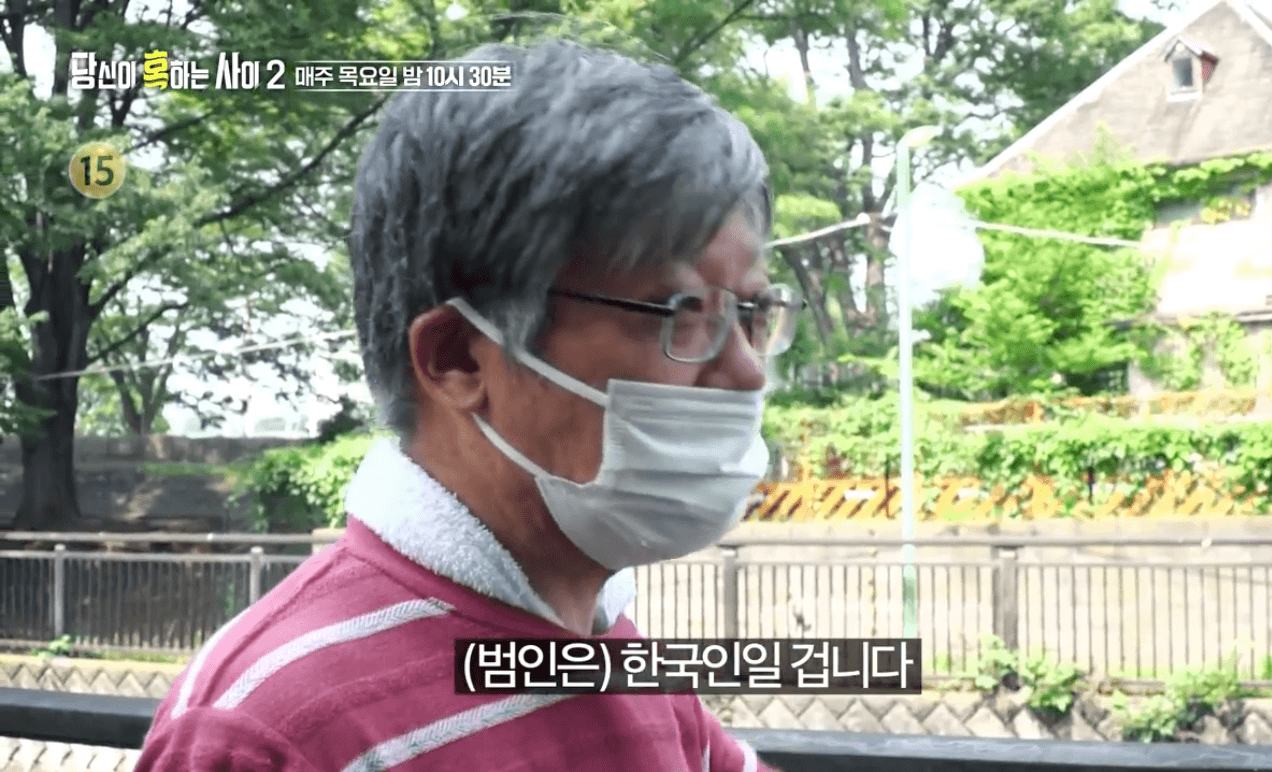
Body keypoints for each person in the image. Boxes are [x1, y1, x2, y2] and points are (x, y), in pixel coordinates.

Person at [134, 38, 805, 772]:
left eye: (751, 312)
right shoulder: (270, 731)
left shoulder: (609, 645)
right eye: (677, 312)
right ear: (457, 357)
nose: (747, 371)